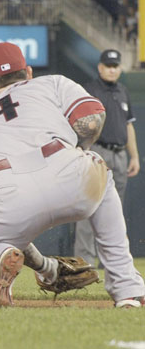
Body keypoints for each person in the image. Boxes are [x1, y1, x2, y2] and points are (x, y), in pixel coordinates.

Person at [0, 43, 144, 308]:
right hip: (70, 175)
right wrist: (77, 153)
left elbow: (1, 221)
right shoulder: (51, 83)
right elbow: (93, 117)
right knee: (99, 170)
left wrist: (44, 266)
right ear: (28, 72)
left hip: (5, 191)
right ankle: (128, 289)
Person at [74, 49, 140, 267]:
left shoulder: (123, 91)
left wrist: (134, 156)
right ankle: (85, 262)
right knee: (88, 206)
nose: (112, 70)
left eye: (115, 66)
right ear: (100, 67)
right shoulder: (89, 90)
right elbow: (80, 123)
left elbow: (128, 125)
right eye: (108, 66)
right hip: (97, 152)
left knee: (115, 211)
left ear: (120, 69)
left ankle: (112, 262)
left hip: (120, 155)